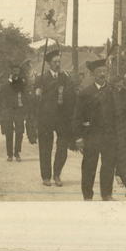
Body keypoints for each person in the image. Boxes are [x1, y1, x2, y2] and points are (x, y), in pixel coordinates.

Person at [72, 59, 118, 201]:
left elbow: (117, 114)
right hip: (91, 135)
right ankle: (87, 195)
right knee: (89, 166)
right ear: (93, 74)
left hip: (108, 136)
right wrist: (79, 137)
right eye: (99, 72)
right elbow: (77, 116)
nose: (103, 74)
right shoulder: (86, 93)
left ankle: (107, 194)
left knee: (108, 165)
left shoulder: (112, 91)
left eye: (105, 71)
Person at [33, 50, 75, 187]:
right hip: (46, 117)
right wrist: (37, 93)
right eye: (55, 62)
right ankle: (46, 176)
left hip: (62, 117)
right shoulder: (41, 78)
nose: (58, 64)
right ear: (49, 64)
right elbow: (34, 100)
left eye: (59, 62)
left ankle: (57, 174)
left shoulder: (65, 77)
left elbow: (71, 95)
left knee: (62, 147)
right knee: (45, 147)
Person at [0, 64, 30, 161]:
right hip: (9, 110)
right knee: (9, 132)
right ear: (11, 72)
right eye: (14, 71)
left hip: (19, 110)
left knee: (19, 132)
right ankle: (9, 154)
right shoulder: (5, 85)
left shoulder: (22, 83)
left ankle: (17, 152)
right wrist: (3, 111)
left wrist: (25, 110)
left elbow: (25, 97)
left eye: (18, 71)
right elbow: (2, 99)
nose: (16, 73)